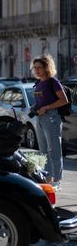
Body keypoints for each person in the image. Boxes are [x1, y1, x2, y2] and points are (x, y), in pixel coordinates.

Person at [31, 54, 68, 191]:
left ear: (47, 68)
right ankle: (47, 179)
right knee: (42, 151)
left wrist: (47, 107)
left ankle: (56, 182)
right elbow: (41, 101)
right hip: (40, 118)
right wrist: (35, 107)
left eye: (39, 67)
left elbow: (64, 100)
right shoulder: (38, 83)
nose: (37, 70)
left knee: (54, 150)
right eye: (35, 68)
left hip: (51, 117)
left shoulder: (53, 82)